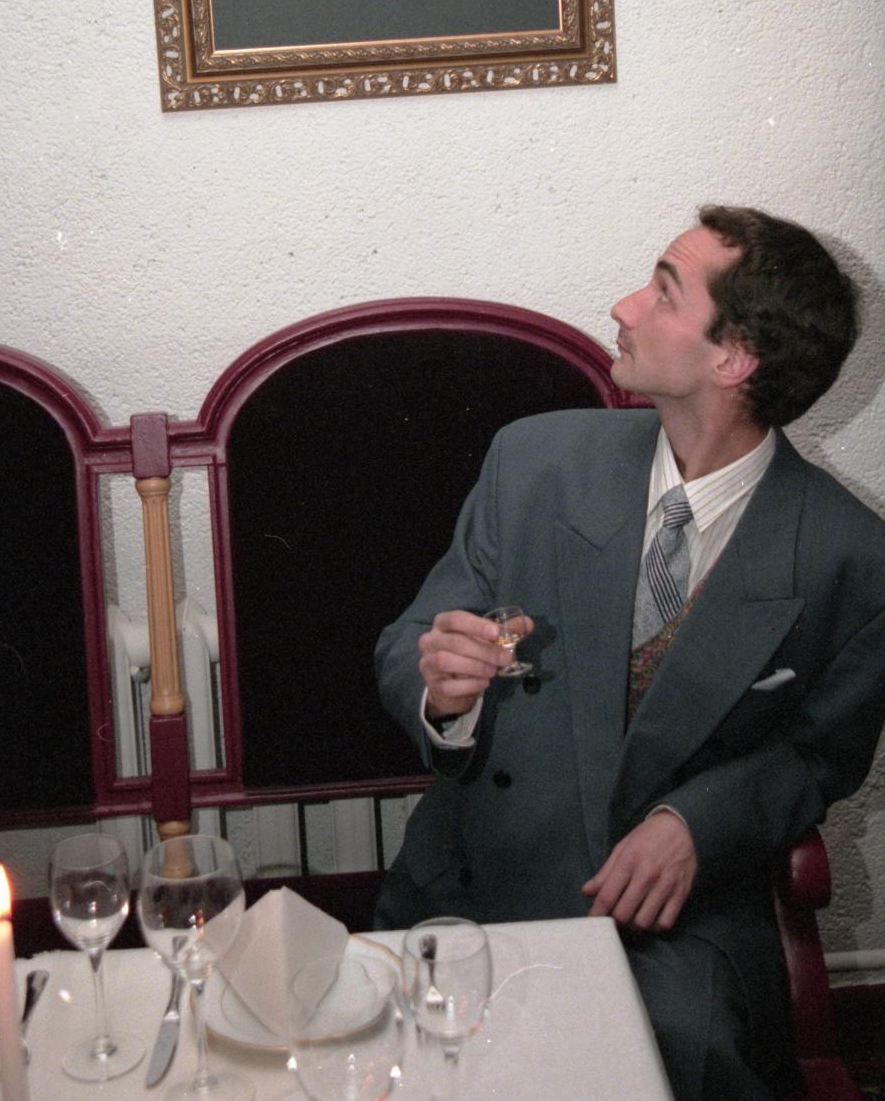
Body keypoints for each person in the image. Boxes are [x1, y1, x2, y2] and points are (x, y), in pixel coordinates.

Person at [375, 206, 885, 1101]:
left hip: (672, 919)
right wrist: (441, 696)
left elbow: (819, 753)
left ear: (733, 359)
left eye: (662, 292)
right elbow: (406, 639)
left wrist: (698, 822)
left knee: (683, 1056)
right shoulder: (533, 460)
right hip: (475, 880)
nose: (622, 305)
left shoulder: (850, 556)